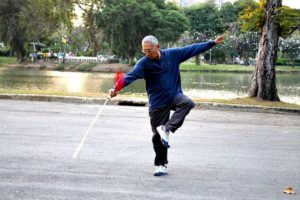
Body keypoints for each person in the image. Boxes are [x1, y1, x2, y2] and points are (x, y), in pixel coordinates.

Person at [109, 35, 224, 176]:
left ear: (158, 47)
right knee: (158, 137)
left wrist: (212, 43)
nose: (146, 53)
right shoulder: (144, 63)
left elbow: (192, 49)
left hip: (174, 96)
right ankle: (161, 165)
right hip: (157, 103)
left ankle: (167, 128)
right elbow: (129, 77)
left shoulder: (173, 55)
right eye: (144, 50)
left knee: (187, 103)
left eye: (149, 50)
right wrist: (115, 89)